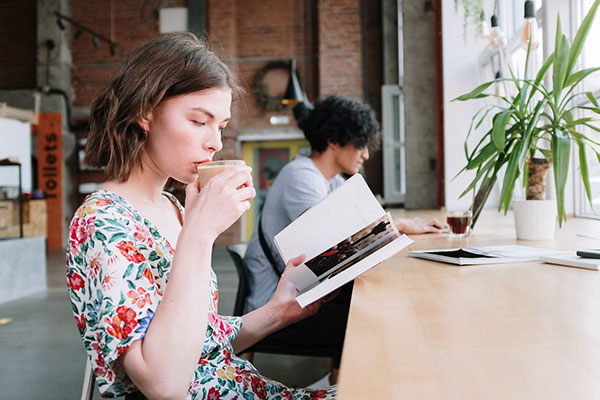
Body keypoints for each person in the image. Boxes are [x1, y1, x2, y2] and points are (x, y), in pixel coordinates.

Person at [65, 32, 335, 399]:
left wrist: (278, 312)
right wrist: (200, 233)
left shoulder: (171, 207)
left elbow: (200, 343)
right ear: (144, 112)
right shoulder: (103, 222)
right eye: (198, 121)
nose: (215, 142)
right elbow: (165, 385)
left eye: (220, 126)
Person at [243, 95, 444, 386]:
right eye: (360, 144)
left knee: (371, 309)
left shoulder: (332, 180)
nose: (366, 154)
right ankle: (343, 387)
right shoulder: (301, 176)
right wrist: (397, 225)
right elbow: (334, 243)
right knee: (370, 322)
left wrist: (396, 226)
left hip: (301, 294)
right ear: (334, 139)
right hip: (274, 305)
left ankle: (338, 384)